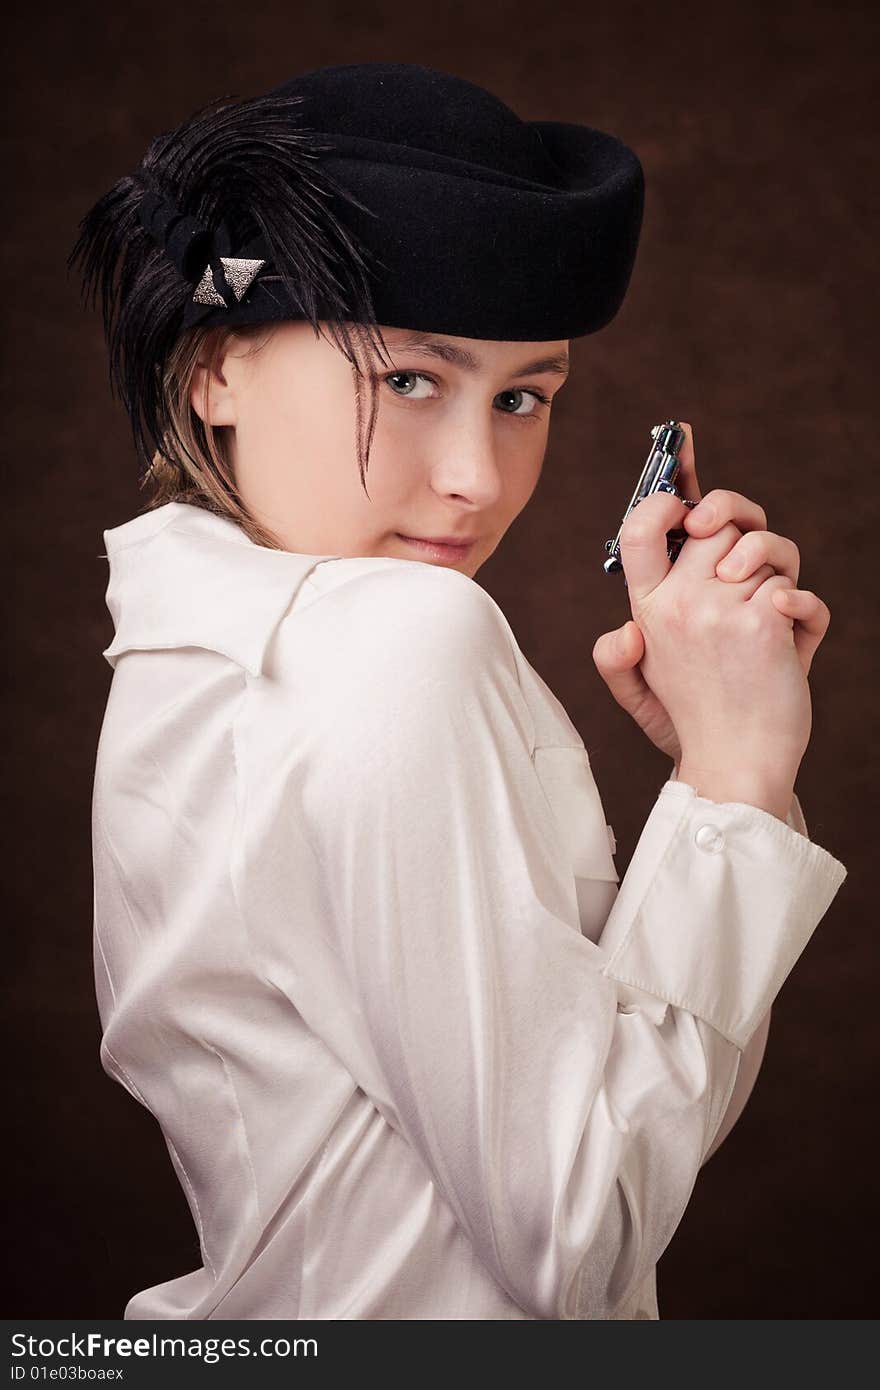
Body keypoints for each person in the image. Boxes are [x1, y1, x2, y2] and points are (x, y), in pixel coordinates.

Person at [71, 62, 847, 1321]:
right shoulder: (398, 639)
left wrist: (711, 778)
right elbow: (583, 1238)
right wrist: (739, 783)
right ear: (214, 367)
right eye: (409, 379)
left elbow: (591, 1140)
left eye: (524, 396)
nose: (479, 477)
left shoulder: (176, 650)